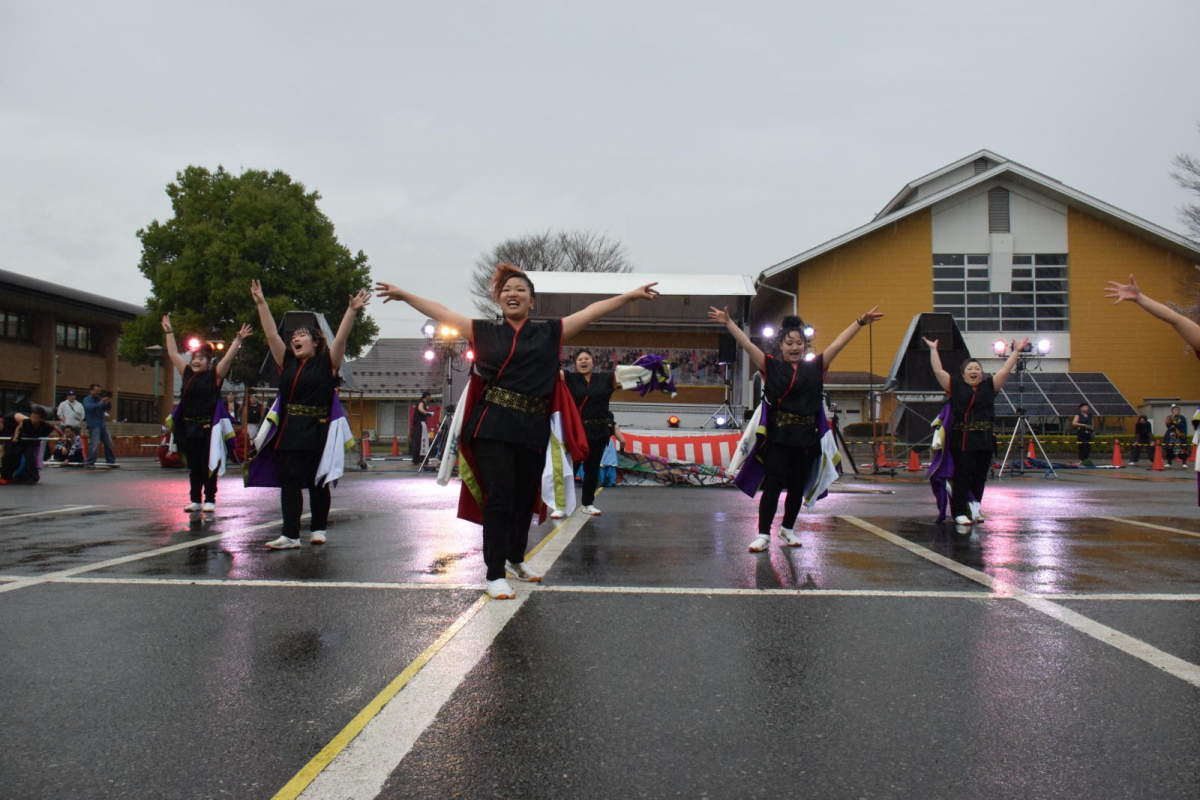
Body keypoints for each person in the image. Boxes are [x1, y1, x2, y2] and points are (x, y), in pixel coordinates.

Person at [376, 264, 659, 599]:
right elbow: (443, 312)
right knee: (500, 499)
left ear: (531, 301)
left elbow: (590, 312)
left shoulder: (549, 332)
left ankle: (515, 559)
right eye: (507, 290)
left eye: (520, 290)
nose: (513, 294)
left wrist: (629, 296)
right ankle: (495, 573)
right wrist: (404, 295)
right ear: (499, 300)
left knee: (526, 498)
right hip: (492, 425)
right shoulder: (483, 331)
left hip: (532, 427)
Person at [711, 307, 884, 551]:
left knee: (797, 486)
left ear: (805, 345)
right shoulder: (771, 366)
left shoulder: (816, 367)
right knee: (773, 486)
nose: (795, 347)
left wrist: (860, 322)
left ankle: (788, 529)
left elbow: (838, 343)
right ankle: (763, 534)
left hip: (807, 438)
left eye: (799, 343)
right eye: (789, 343)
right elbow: (747, 345)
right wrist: (728, 322)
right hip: (779, 437)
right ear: (781, 346)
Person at [252, 280, 372, 549]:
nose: (295, 338)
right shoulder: (287, 361)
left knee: (319, 482)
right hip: (289, 431)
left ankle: (318, 529)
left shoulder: (327, 362)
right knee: (290, 483)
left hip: (319, 430)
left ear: (316, 342)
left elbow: (341, 339)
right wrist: (262, 303)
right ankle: (290, 535)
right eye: (293, 336)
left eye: (302, 335)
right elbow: (271, 334)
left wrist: (352, 310)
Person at [925, 336, 1029, 526]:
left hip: (984, 439)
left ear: (981, 373)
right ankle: (958, 512)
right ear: (963, 373)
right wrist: (933, 350)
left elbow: (1005, 370)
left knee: (980, 477)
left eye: (977, 368)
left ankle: (975, 508)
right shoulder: (955, 386)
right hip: (962, 439)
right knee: (962, 475)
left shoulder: (989, 386)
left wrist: (1016, 351)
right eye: (970, 369)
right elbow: (938, 371)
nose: (974, 371)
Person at [162, 315, 252, 512]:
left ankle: (210, 499)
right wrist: (169, 331)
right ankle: (195, 500)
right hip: (189, 428)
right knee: (193, 466)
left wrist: (238, 340)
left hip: (208, 428)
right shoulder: (186, 373)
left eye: (200, 358)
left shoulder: (214, 376)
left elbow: (228, 359)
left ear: (208, 363)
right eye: (194, 358)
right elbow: (172, 353)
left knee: (208, 464)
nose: (196, 361)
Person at [560, 350, 624, 516]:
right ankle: (561, 506)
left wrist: (646, 365)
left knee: (592, 469)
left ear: (593, 362)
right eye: (580, 359)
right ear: (575, 364)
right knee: (569, 469)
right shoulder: (569, 377)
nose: (583, 361)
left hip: (598, 431)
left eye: (586, 358)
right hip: (576, 432)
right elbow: (548, 373)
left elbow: (627, 376)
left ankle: (588, 504)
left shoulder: (605, 378)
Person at [1, 406, 62, 484]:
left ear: (41, 419)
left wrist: (62, 436)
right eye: (32, 417)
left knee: (30, 457)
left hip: (31, 441)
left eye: (36, 418)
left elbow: (55, 428)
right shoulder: (26, 422)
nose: (33, 419)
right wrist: (16, 437)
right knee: (11, 456)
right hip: (20, 440)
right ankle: (6, 477)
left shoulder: (43, 424)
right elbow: (19, 428)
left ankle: (32, 477)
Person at [82, 384, 116, 467]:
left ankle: (110, 461)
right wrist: (101, 402)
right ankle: (91, 461)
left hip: (102, 424)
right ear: (91, 391)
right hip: (94, 424)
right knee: (94, 444)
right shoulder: (87, 400)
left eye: (99, 391)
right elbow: (90, 408)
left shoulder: (100, 399)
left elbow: (107, 408)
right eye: (96, 391)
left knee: (108, 443)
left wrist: (108, 402)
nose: (98, 393)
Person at [410, 390, 433, 463]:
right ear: (427, 396)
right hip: (419, 424)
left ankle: (420, 458)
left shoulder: (423, 403)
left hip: (420, 424)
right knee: (418, 441)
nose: (431, 397)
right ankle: (417, 459)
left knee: (420, 441)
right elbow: (420, 408)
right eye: (430, 395)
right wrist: (426, 413)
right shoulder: (421, 402)